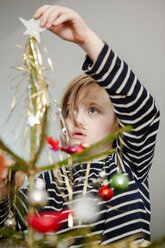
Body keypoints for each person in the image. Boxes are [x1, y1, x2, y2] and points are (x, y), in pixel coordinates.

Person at [0, 5, 160, 247]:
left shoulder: (127, 165)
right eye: (68, 111)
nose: (76, 120)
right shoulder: (47, 182)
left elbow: (143, 110)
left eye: (93, 110)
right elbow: (8, 228)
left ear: (119, 122)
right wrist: (4, 192)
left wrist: (86, 39)